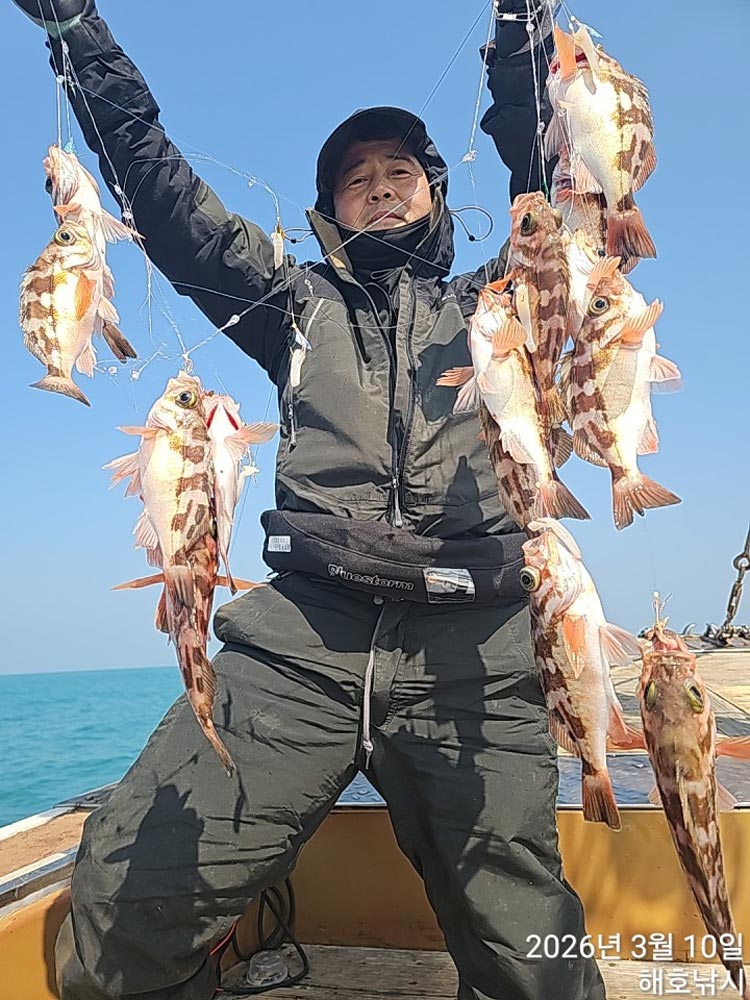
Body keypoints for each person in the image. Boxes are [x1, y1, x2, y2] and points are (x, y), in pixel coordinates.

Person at [12, 2, 606, 998]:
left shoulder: (504, 298)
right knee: (124, 903)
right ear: (331, 210)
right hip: (300, 638)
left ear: (436, 194)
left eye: (399, 173)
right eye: (355, 180)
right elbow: (163, 195)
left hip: (478, 649)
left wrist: (521, 29)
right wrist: (76, 30)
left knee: (534, 958)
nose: (379, 188)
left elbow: (557, 170)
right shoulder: (293, 303)